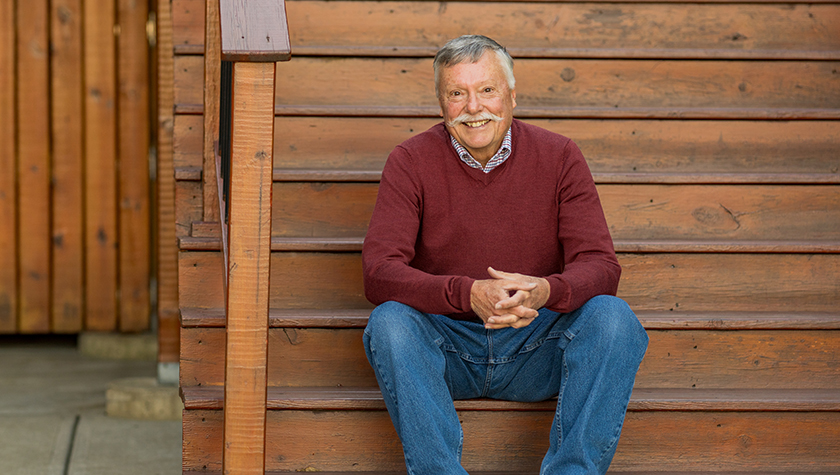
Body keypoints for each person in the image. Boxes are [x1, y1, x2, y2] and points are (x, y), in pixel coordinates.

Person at [361, 34, 648, 475]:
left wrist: (544, 290)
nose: (474, 107)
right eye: (458, 93)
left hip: (537, 346)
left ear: (512, 95)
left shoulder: (560, 156)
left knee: (614, 318)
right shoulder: (410, 161)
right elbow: (380, 273)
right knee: (390, 323)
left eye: (487, 89)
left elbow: (601, 266)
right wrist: (468, 292)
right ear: (442, 103)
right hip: (447, 349)